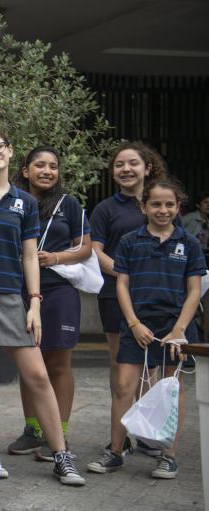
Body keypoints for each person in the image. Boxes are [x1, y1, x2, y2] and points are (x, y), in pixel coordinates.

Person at [0, 128, 84, 486]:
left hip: (10, 295)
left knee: (38, 375)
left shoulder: (24, 202)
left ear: (10, 153)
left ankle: (61, 454)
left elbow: (29, 255)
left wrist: (35, 303)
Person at [87, 178, 206, 478]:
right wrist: (134, 323)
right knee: (124, 387)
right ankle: (115, 451)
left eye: (169, 204)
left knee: (172, 390)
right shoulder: (130, 241)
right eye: (155, 204)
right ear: (143, 206)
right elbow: (122, 285)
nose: (162, 210)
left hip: (175, 328)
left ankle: (169, 455)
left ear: (178, 207)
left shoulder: (189, 243)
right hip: (137, 325)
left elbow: (194, 291)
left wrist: (180, 329)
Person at [6, 147, 92, 461]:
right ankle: (33, 430)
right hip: (20, 290)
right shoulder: (13, 201)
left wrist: (54, 257)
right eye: (39, 165)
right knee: (31, 364)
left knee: (58, 364)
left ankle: (60, 432)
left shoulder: (69, 204)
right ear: (25, 170)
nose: (47, 171)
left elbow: (84, 249)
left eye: (53, 166)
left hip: (58, 290)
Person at [89, 142, 170, 458]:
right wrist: (126, 275)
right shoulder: (105, 209)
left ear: (148, 168)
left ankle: (149, 431)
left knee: (156, 366)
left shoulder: (161, 203)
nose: (126, 169)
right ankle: (122, 435)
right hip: (114, 293)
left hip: (157, 295)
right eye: (119, 164)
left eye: (133, 163)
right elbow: (95, 251)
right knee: (121, 365)